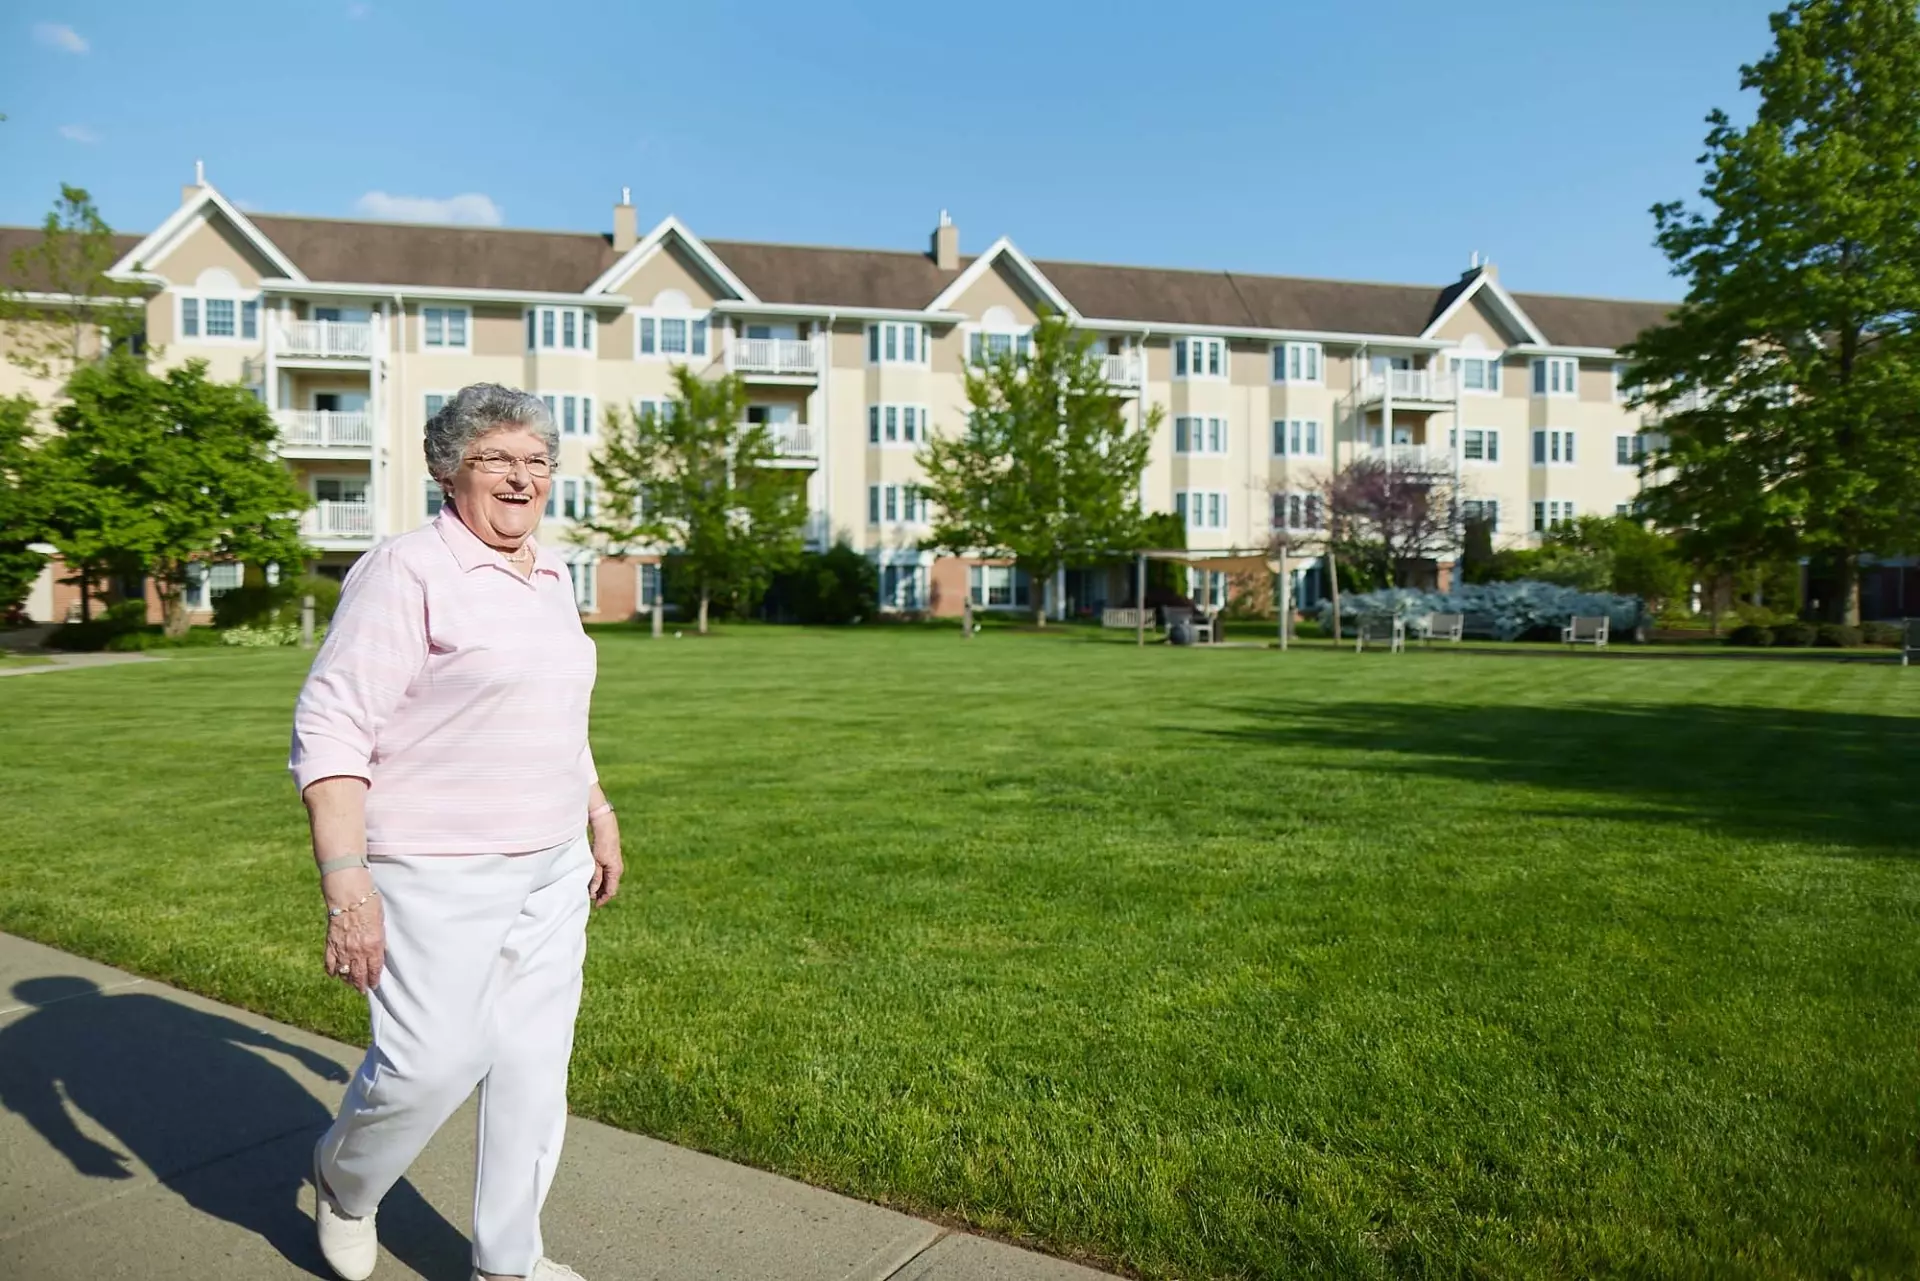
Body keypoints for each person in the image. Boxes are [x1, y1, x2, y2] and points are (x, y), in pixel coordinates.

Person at [290, 383, 623, 1281]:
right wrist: (346, 879)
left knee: (530, 1068)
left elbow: (558, 713)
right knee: (430, 1062)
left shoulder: (550, 573)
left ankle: (508, 1262)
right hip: (433, 866)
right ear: (449, 470)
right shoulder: (406, 570)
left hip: (551, 862)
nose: (522, 479)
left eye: (537, 462)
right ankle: (345, 1178)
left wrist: (597, 813)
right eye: (497, 460)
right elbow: (330, 725)